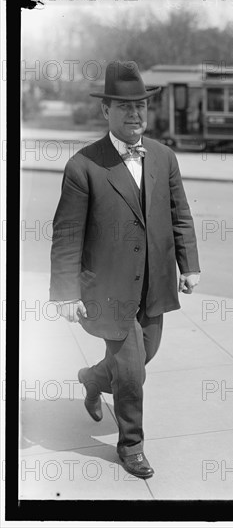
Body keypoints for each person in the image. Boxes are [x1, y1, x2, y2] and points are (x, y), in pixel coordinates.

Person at [50, 61, 201, 479]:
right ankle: (131, 445)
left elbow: (179, 214)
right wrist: (66, 293)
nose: (135, 115)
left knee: (145, 355)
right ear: (106, 112)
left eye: (140, 107)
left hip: (153, 284)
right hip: (107, 290)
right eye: (124, 107)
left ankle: (92, 377)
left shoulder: (164, 157)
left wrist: (189, 265)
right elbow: (66, 236)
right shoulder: (83, 167)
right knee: (132, 370)